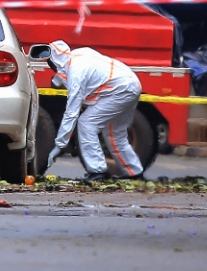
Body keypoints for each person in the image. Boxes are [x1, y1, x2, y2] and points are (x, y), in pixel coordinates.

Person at [44, 40, 144, 180]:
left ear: (56, 63)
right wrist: (59, 79)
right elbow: (67, 71)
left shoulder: (76, 74)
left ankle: (97, 171)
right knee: (115, 133)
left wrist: (59, 146)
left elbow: (71, 113)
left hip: (120, 90)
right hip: (131, 83)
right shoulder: (78, 54)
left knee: (86, 123)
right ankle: (134, 173)